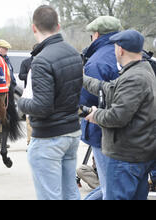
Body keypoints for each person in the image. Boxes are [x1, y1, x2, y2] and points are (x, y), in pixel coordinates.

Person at [17, 5, 83, 200]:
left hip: (49, 138)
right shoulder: (73, 53)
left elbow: (42, 107)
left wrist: (21, 103)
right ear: (58, 25)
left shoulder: (41, 60)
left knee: (50, 196)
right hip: (71, 133)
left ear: (34, 28)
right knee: (71, 193)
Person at [83, 29, 156, 200]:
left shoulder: (134, 78)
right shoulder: (142, 70)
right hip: (137, 155)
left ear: (120, 49)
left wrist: (95, 115)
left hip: (126, 158)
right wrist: (82, 79)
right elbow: (109, 89)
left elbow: (117, 117)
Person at [79, 16, 122, 200]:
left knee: (109, 189)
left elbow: (88, 101)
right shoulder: (128, 54)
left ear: (96, 34)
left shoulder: (96, 62)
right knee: (114, 187)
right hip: (128, 131)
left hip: (102, 130)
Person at [0, 39, 17, 149]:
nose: (6, 51)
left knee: (5, 115)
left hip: (9, 89)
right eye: (5, 49)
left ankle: (2, 140)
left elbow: (10, 72)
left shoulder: (6, 59)